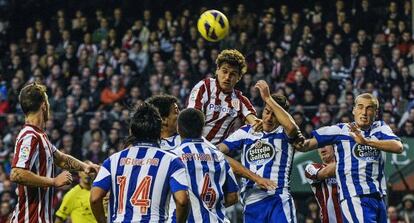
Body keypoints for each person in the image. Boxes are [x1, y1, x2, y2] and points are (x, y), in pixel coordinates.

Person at [295, 93, 403, 223]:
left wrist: (366, 142)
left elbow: (398, 147)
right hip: (354, 196)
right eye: (360, 107)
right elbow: (304, 145)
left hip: (379, 197)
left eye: (369, 108)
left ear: (376, 112)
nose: (364, 112)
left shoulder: (381, 128)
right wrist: (290, 132)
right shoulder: (340, 130)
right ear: (353, 110)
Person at [10, 83, 99, 223]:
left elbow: (61, 159)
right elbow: (17, 173)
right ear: (43, 105)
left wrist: (85, 167)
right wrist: (53, 181)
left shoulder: (40, 136)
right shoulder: (30, 136)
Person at [217, 80, 305, 223]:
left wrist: (268, 98)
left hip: (277, 197)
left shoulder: (284, 132)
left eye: (274, 114)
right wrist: (254, 177)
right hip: (251, 200)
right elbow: (217, 153)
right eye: (266, 111)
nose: (269, 118)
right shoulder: (247, 131)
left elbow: (292, 127)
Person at [90, 103, 189, 223]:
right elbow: (182, 201)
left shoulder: (112, 160)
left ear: (132, 131)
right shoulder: (172, 161)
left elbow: (95, 198)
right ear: (159, 130)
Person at [170, 108, 239, 222]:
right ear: (202, 129)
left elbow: (181, 200)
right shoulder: (218, 156)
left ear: (178, 128)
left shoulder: (174, 157)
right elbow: (233, 196)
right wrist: (210, 207)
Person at [187, 49, 262, 145]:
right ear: (217, 70)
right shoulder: (204, 87)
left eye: (233, 74)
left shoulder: (239, 100)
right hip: (192, 144)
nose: (227, 77)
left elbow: (254, 123)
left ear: (239, 78)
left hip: (217, 152)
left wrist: (257, 124)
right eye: (224, 71)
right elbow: (191, 118)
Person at [305, 145, 342, 223]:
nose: (322, 149)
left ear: (334, 147)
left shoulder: (349, 167)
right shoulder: (311, 168)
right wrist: (349, 162)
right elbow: (326, 173)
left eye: (326, 144)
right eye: (320, 146)